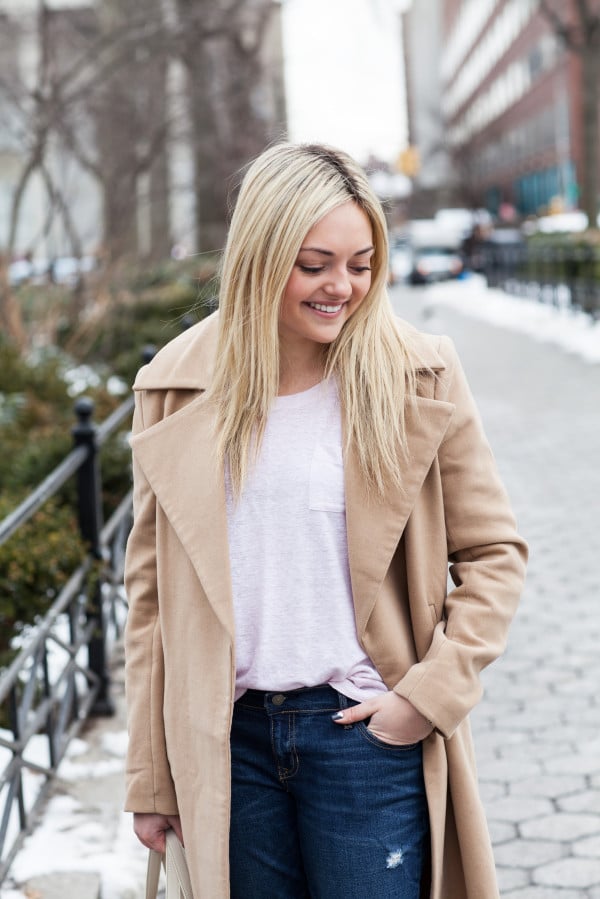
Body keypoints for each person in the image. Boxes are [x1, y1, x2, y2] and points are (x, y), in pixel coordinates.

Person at [124, 142, 527, 899]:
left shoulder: (418, 374)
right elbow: (149, 599)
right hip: (227, 745)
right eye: (314, 264)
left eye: (361, 263)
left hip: (364, 738)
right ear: (260, 255)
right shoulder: (176, 385)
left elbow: (495, 552)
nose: (342, 287)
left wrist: (427, 697)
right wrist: (151, 773)